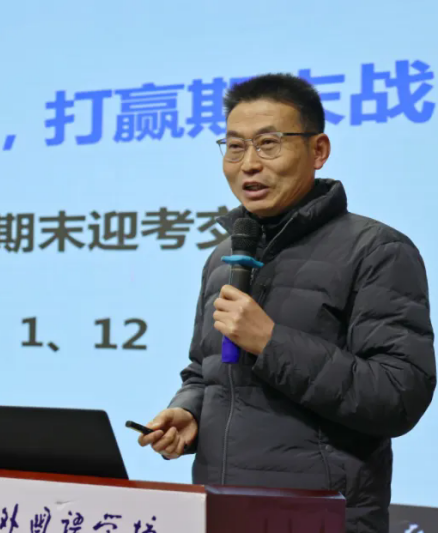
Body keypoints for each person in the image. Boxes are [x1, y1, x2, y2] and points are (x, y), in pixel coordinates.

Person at [138, 74, 436, 533]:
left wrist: (271, 342)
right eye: (234, 147)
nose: (249, 164)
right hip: (221, 510)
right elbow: (204, 369)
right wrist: (190, 411)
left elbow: (399, 395)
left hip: (322, 516)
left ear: (318, 150)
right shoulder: (224, 256)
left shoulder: (377, 250)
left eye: (268, 144)